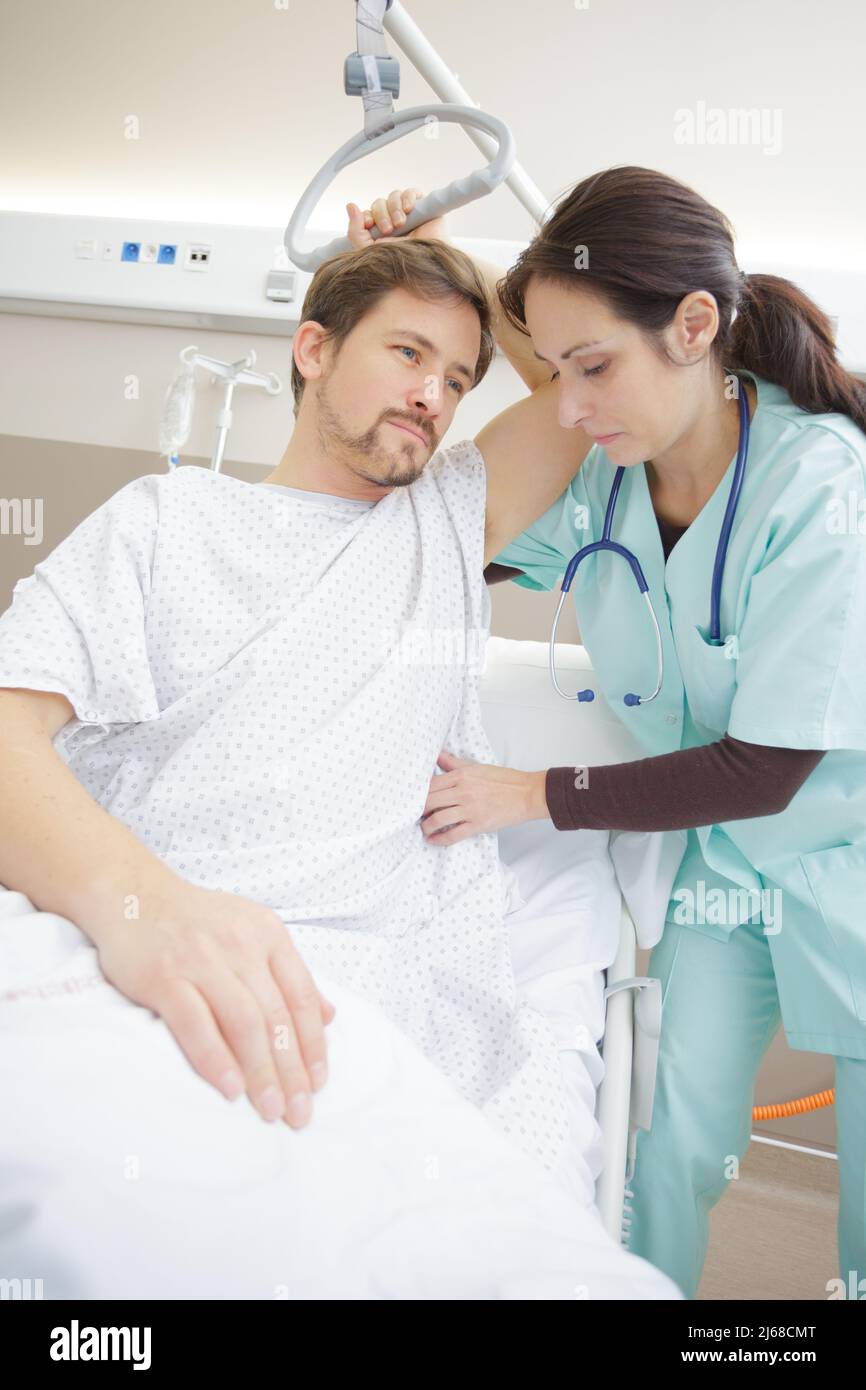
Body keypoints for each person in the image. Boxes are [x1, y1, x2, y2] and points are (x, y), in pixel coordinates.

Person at [353, 167, 866, 1299]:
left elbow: (767, 764)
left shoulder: (817, 487)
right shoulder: (602, 478)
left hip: (843, 851)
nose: (568, 404)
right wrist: (425, 284)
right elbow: (443, 555)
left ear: (693, 327)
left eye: (592, 369)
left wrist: (529, 792)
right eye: (554, 368)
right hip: (720, 860)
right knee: (666, 1142)